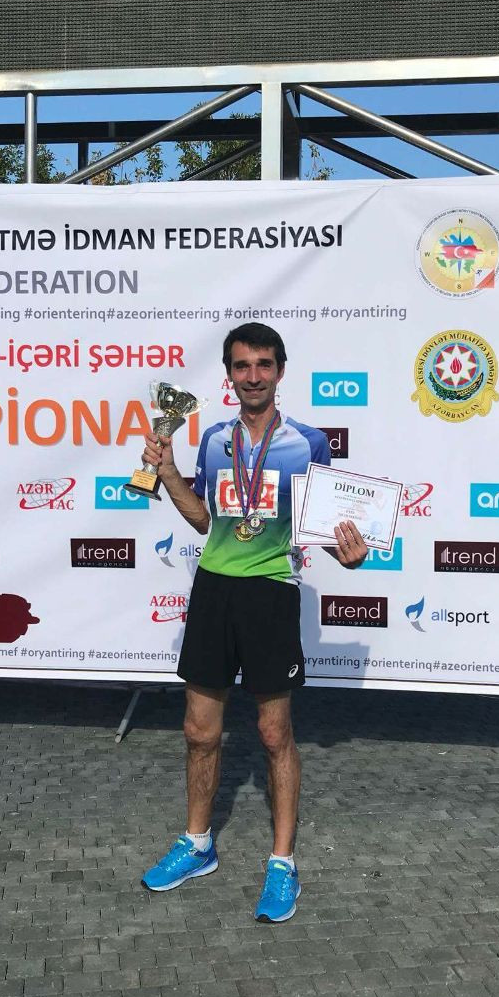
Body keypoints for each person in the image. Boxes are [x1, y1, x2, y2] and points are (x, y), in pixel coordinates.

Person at [140, 323, 367, 922]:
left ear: (280, 371)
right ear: (229, 375)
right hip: (215, 588)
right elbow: (204, 520)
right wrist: (167, 473)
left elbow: (326, 527)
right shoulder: (214, 440)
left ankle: (282, 861)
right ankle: (197, 844)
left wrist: (349, 553)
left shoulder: (309, 443)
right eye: (242, 366)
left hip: (271, 592)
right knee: (199, 731)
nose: (253, 376)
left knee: (273, 734)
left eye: (264, 365)